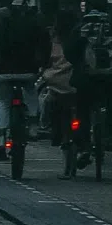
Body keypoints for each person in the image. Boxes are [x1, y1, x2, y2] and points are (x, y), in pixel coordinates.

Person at [0, 0, 51, 159]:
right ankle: (33, 124)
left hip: (3, 69)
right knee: (31, 91)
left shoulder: (0, 15)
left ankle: (1, 139)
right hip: (28, 68)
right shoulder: (36, 16)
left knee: (2, 101)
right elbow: (44, 42)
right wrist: (43, 63)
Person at [66, 0, 112, 168]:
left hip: (86, 78)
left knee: (82, 110)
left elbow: (70, 52)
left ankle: (83, 145)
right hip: (110, 78)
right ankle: (111, 132)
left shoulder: (81, 27)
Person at [40, 9, 80, 174]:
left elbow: (45, 59)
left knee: (46, 101)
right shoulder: (79, 37)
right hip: (76, 83)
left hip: (56, 82)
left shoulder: (52, 40)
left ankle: (47, 126)